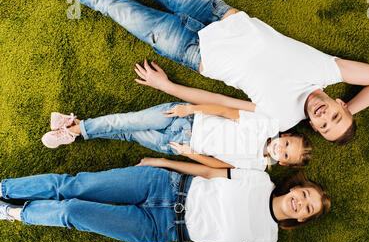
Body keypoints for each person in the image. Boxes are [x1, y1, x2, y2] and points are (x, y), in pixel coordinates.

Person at [63, 0, 369, 145]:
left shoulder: (280, 120)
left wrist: (167, 87)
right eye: (335, 116)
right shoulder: (329, 71)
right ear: (340, 104)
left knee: (109, 4)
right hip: (211, 11)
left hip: (190, 51)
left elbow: (223, 104)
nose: (324, 117)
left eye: (323, 126)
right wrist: (350, 110)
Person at [0, 158, 330, 242]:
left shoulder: (266, 240)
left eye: (307, 208)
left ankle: (15, 213)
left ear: (302, 219)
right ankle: (5, 187)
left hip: (161, 228)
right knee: (74, 184)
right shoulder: (260, 180)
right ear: (294, 188)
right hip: (164, 183)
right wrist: (162, 162)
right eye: (304, 195)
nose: (301, 203)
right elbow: (209, 171)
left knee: (74, 211)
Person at [41, 90, 312, 170]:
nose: (282, 150)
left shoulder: (257, 165)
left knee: (128, 134)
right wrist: (190, 110)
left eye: (287, 155)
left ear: (284, 163)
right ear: (285, 136)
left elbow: (218, 165)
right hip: (185, 118)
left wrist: (188, 153)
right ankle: (76, 129)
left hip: (183, 145)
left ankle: (72, 125)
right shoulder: (264, 125)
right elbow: (223, 111)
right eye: (288, 144)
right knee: (127, 122)